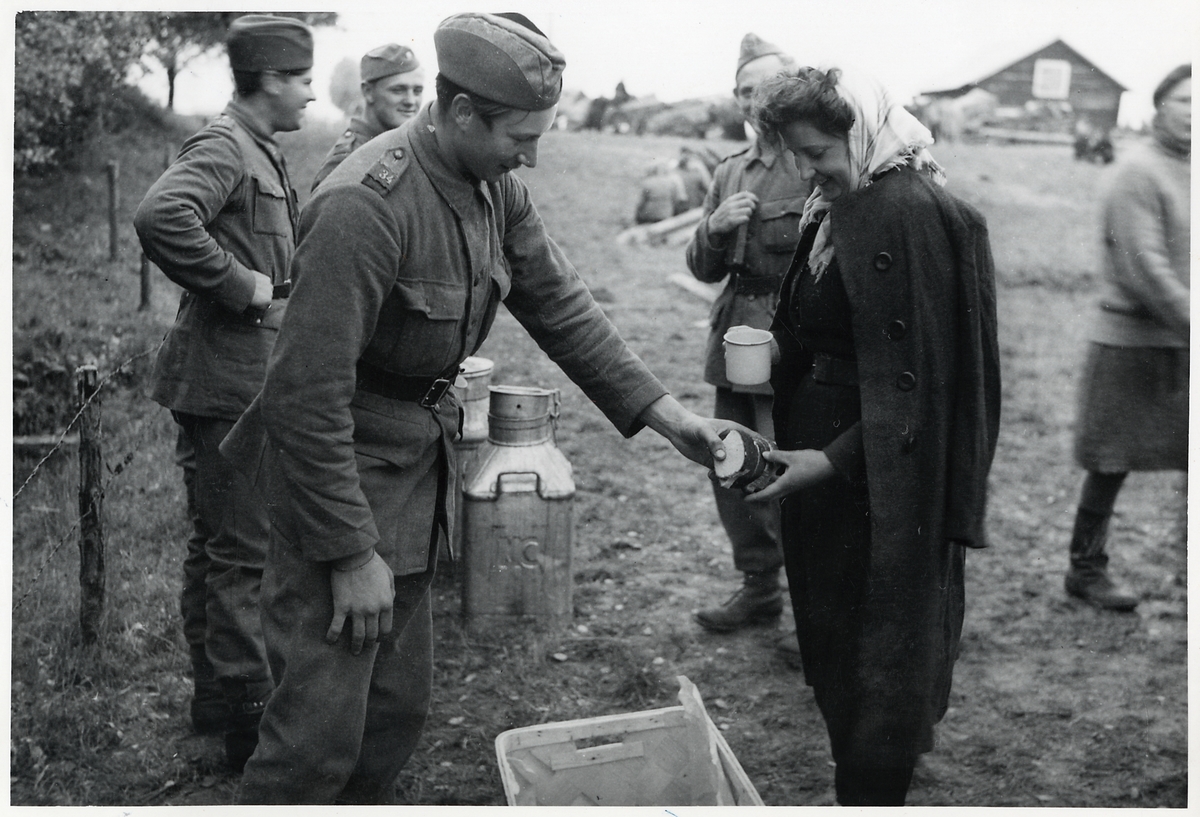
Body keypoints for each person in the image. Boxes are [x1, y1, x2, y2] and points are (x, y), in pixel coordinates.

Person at [219, 11, 735, 804]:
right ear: (461, 111)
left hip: (413, 469)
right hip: (337, 483)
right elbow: (304, 394)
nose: (531, 154)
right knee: (314, 741)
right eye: (519, 136)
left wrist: (673, 419)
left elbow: (560, 303)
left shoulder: (495, 188)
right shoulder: (365, 204)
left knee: (393, 714)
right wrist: (350, 554)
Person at [745, 67, 1000, 805]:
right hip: (822, 464)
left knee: (882, 672)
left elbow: (927, 389)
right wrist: (776, 351)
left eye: (818, 152)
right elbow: (823, 323)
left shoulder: (912, 214)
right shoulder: (836, 206)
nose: (807, 170)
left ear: (860, 133)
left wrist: (829, 460)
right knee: (837, 652)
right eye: (796, 154)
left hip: (886, 484)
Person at [133, 14, 315, 772]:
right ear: (270, 79)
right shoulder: (225, 146)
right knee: (245, 556)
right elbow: (160, 216)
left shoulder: (256, 148)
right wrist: (246, 286)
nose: (310, 94)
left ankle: (217, 701)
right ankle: (247, 722)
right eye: (302, 79)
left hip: (229, 378)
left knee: (218, 549)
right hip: (227, 384)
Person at [685, 33, 811, 638]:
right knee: (731, 463)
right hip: (735, 336)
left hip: (790, 343)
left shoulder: (812, 160)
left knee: (790, 469)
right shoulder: (729, 170)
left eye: (763, 87)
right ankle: (760, 589)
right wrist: (713, 227)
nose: (750, 100)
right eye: (742, 90)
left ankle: (811, 605)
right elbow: (702, 269)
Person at [1064, 63, 1190, 612]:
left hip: (1185, 341)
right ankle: (1085, 569)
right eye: (1185, 101)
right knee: (1110, 461)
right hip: (1130, 341)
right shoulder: (1137, 173)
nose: (1194, 114)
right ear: (1159, 106)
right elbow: (1145, 268)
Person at [311, 43, 425, 190]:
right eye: (398, 90)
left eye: (417, 91)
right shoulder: (346, 158)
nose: (411, 101)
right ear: (368, 92)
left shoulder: (406, 146)